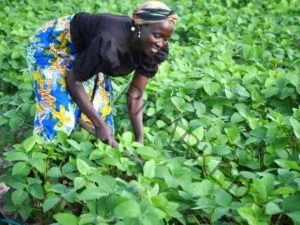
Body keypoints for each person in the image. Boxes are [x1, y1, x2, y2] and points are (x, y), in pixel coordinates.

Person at [26, 1, 177, 147]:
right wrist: (99, 125)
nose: (161, 43)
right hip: (52, 47)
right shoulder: (108, 41)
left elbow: (135, 95)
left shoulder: (156, 49)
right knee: (61, 119)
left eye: (166, 38)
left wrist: (140, 140)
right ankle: (42, 156)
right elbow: (74, 81)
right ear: (140, 27)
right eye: (157, 35)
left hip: (89, 51)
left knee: (101, 118)